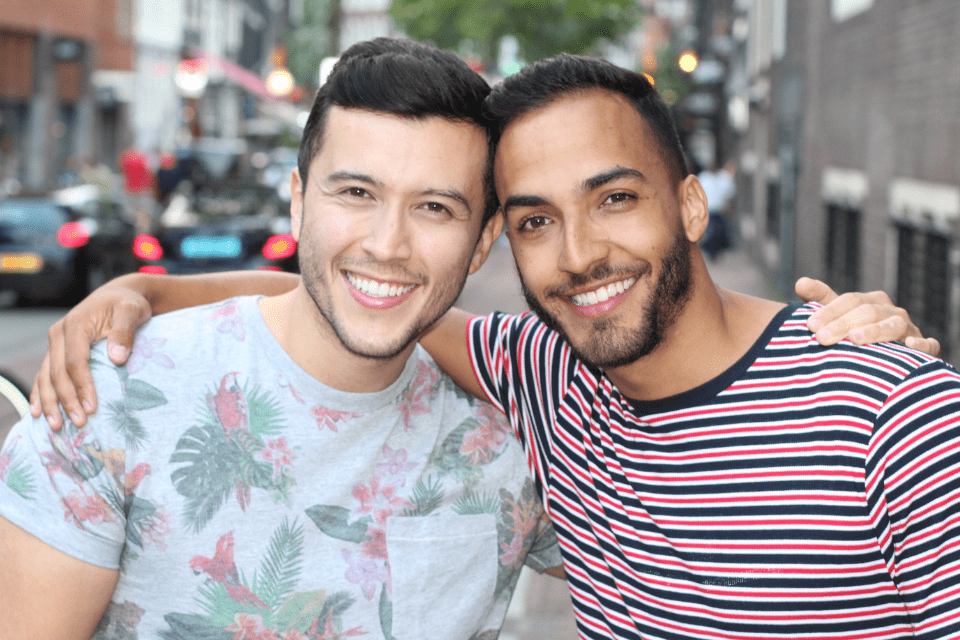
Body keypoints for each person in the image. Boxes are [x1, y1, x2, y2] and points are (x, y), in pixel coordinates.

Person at [25, 52, 944, 639]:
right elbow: (359, 298)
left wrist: (894, 362)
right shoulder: (544, 379)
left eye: (615, 198)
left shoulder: (891, 408)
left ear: (692, 205)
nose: (581, 254)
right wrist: (144, 290)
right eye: (539, 219)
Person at [0, 38, 564, 640]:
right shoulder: (110, 396)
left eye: (434, 207)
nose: (387, 244)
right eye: (356, 194)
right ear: (298, 202)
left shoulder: (519, 433)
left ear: (482, 241)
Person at [696, 160, 736, 259]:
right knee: (712, 231)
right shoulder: (703, 178)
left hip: (718, 210)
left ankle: (714, 250)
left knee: (717, 231)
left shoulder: (720, 178)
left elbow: (728, 191)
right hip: (708, 209)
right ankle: (710, 250)